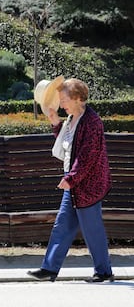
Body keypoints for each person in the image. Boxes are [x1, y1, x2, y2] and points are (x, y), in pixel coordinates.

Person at [27, 77, 114, 283]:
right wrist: (55, 123)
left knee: (92, 229)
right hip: (75, 185)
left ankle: (104, 271)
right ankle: (49, 268)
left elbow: (87, 156)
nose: (61, 103)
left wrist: (71, 178)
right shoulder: (72, 119)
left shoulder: (92, 122)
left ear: (77, 98)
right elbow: (67, 144)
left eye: (64, 99)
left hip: (88, 186)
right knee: (62, 226)